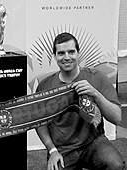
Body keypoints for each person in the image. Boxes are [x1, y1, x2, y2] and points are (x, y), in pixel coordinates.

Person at [35, 32, 125, 170]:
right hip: (63, 148)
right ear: (54, 57)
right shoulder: (45, 86)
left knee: (115, 165)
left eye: (71, 52)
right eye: (61, 53)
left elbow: (117, 118)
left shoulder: (97, 77)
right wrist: (52, 150)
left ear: (78, 53)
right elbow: (39, 122)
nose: (67, 57)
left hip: (93, 142)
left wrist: (95, 94)